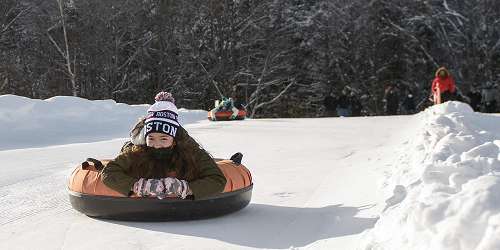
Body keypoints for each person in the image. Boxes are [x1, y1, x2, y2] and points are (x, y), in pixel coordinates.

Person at [102, 91, 227, 200]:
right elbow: (109, 172)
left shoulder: (191, 151)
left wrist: (186, 188)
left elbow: (217, 179)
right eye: (151, 138)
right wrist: (138, 186)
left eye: (163, 138)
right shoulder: (136, 151)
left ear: (174, 139)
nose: (156, 145)